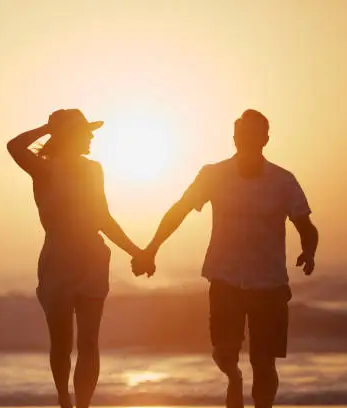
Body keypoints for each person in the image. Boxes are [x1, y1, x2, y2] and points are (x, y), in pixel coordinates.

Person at [132, 109, 319, 408]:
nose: (247, 141)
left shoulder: (284, 181)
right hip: (225, 278)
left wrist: (308, 251)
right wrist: (152, 248)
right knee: (224, 353)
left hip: (269, 284)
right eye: (242, 136)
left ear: (265, 139)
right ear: (234, 139)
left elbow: (307, 227)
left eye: (254, 136)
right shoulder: (213, 175)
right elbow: (179, 210)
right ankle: (234, 378)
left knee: (264, 361)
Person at [7, 109, 143, 408]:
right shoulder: (44, 169)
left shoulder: (93, 169)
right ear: (70, 136)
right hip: (58, 259)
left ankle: (83, 405)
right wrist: (48, 127)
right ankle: (63, 400)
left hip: (92, 257)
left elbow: (103, 217)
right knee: (62, 343)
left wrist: (136, 252)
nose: (92, 136)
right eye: (85, 131)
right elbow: (14, 146)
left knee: (89, 342)